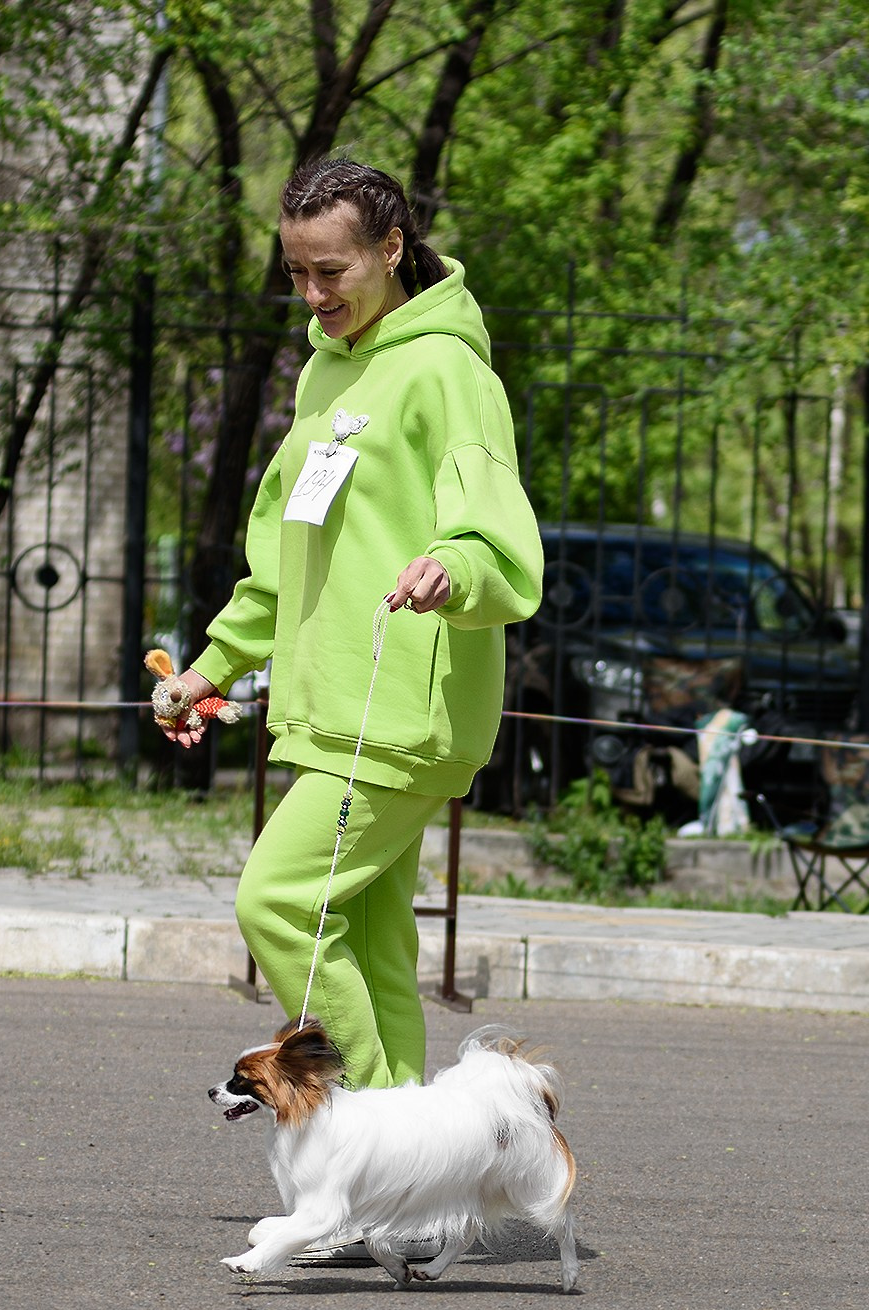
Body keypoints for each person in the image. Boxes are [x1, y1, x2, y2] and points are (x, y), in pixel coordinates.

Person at [164, 157, 543, 1092]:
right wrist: (210, 669)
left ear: (392, 248)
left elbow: (497, 539)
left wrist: (451, 568)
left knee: (278, 901)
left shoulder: (450, 371)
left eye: (331, 271)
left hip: (402, 713)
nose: (313, 292)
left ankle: (369, 1144)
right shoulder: (324, 374)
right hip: (333, 707)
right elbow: (289, 559)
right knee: (374, 957)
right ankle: (418, 1191)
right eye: (297, 271)